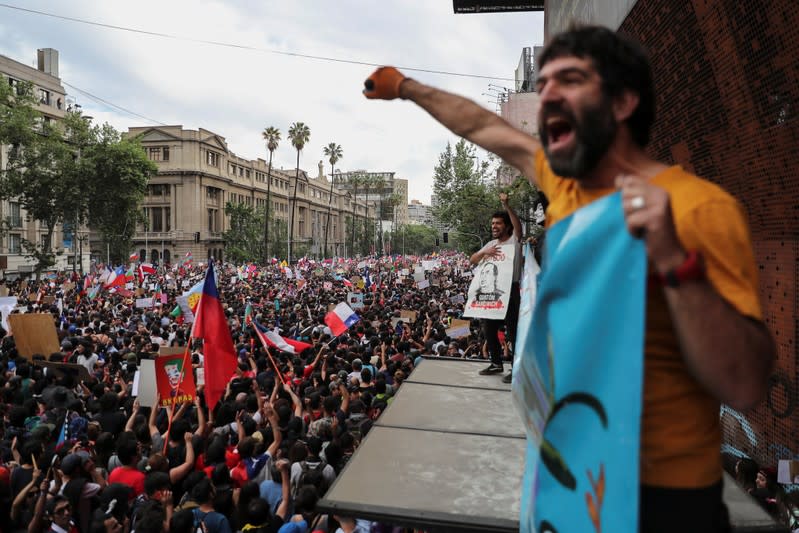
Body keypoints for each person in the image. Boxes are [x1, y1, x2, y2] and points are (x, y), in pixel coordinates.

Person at [363, 24, 776, 532]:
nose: (549, 95)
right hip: (562, 485)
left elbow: (744, 381)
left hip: (660, 503)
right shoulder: (565, 187)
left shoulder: (702, 209)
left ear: (623, 102)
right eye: (546, 83)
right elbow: (482, 125)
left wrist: (675, 263)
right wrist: (406, 86)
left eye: (570, 81)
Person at [470, 193, 522, 382]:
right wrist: (485, 251)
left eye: (498, 223)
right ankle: (496, 362)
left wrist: (507, 205)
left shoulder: (514, 241)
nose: (494, 226)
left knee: (513, 330)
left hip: (511, 291)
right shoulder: (491, 244)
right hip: (492, 293)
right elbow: (472, 260)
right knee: (488, 327)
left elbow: (519, 228)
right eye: (492, 223)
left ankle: (516, 368)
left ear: (507, 226)